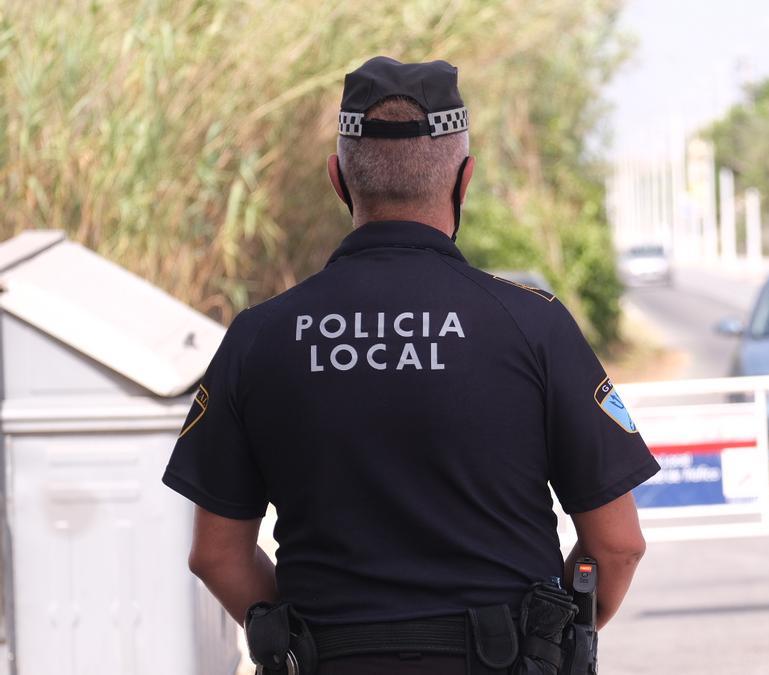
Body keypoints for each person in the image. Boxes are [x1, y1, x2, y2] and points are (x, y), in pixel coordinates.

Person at [162, 57, 660, 674]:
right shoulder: (532, 326)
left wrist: (307, 645)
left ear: (338, 178)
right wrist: (547, 643)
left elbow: (216, 556)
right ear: (465, 179)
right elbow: (618, 544)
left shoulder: (259, 336)